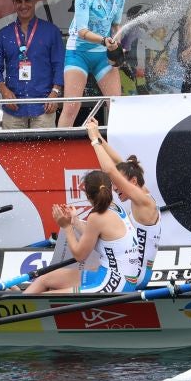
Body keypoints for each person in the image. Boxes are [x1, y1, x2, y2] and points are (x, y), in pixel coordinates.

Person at [24, 118, 161, 294]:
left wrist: (94, 141)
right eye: (115, 185)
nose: (118, 187)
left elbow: (112, 170)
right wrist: (96, 135)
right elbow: (120, 165)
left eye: (120, 184)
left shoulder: (143, 202)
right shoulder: (137, 196)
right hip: (122, 272)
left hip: (133, 276)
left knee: (46, 295)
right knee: (46, 279)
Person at [58, 0, 126, 128]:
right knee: (72, 106)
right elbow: (82, 31)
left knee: (116, 105)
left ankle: (120, 152)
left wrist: (117, 42)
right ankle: (58, 153)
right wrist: (105, 41)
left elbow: (116, 25)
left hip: (103, 55)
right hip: (78, 53)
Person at [45, 170, 140, 293]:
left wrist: (67, 227)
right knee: (44, 279)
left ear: (88, 196)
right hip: (118, 277)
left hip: (114, 283)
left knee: (47, 295)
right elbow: (95, 234)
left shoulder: (96, 217)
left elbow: (80, 256)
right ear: (110, 189)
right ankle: (15, 297)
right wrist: (75, 220)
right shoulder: (117, 208)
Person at [0, 0, 64, 129]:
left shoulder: (51, 31)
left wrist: (55, 93)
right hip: (13, 107)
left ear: (35, 0)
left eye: (28, 0)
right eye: (19, 1)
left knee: (44, 152)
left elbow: (60, 64)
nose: (24, 5)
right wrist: (4, 90)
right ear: (13, 3)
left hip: (44, 106)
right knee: (12, 152)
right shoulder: (3, 34)